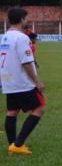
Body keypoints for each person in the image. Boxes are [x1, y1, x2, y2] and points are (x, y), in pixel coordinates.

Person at [1, 8, 46, 155]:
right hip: (21, 82)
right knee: (39, 108)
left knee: (12, 111)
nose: (28, 21)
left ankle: (12, 145)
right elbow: (26, 62)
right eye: (26, 18)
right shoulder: (21, 38)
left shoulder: (5, 36)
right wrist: (37, 81)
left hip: (8, 80)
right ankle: (18, 144)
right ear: (21, 19)